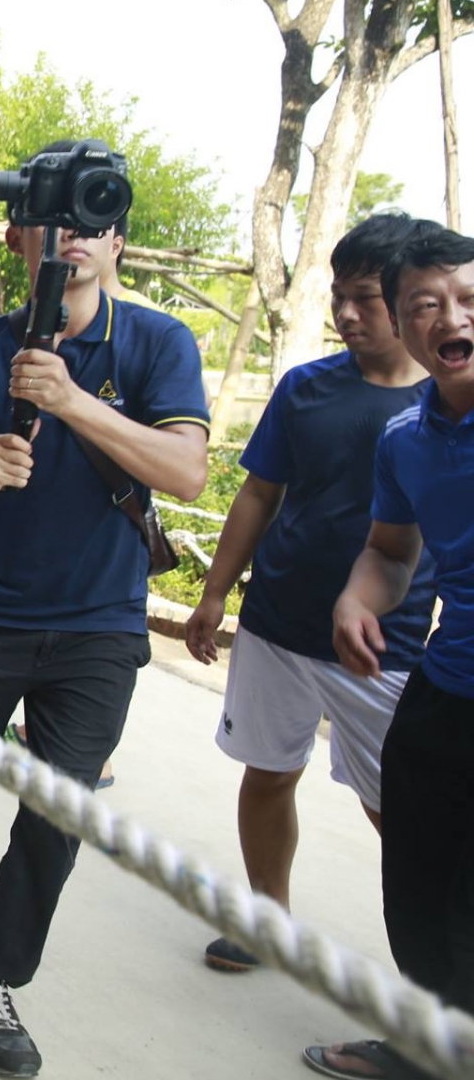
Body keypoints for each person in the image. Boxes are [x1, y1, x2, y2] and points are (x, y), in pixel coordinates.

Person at [0, 158, 209, 1079]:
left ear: (118, 240)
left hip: (99, 629)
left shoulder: (158, 344)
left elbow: (185, 474)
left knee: (58, 815)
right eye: (51, 218)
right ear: (19, 237)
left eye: (95, 219)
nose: (73, 234)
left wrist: (71, 402)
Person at [183, 214, 433, 975]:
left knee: (405, 811)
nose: (346, 314)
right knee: (269, 771)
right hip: (278, 620)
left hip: (388, 644)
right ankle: (269, 920)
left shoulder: (449, 405)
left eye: (364, 298)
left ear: (407, 300)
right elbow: (260, 493)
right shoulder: (306, 389)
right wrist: (215, 592)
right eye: (339, 296)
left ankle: (437, 973)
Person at [306, 222, 474, 1080]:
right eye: (428, 305)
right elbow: (392, 552)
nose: (453, 317)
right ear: (407, 331)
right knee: (416, 879)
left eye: (471, 300)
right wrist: (354, 599)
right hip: (445, 691)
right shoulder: (407, 439)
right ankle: (430, 1048)